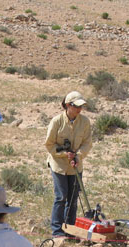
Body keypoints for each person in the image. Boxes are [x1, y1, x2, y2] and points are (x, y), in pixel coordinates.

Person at [44, 91, 93, 238]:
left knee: (73, 199)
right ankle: (57, 230)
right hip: (58, 164)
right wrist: (64, 154)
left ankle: (70, 229)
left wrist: (78, 156)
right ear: (67, 105)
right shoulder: (57, 121)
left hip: (75, 165)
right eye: (76, 106)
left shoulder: (84, 122)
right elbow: (49, 145)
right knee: (61, 197)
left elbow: (87, 143)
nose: (79, 110)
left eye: (81, 107)